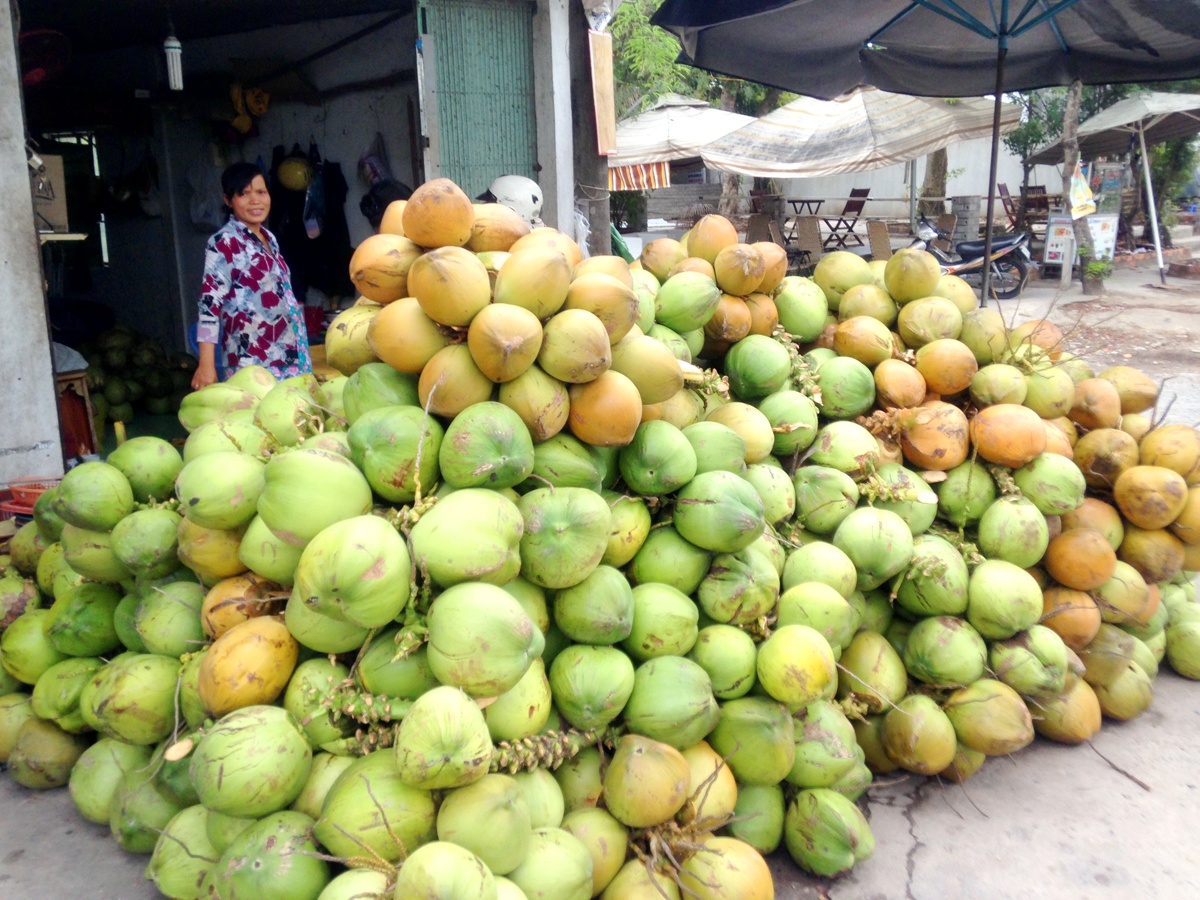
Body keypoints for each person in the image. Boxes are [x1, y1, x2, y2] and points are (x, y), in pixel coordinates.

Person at [191, 162, 312, 390]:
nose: (255, 200)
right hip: (253, 364)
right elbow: (209, 304)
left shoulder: (270, 238)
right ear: (228, 200)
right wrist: (206, 364)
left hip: (292, 358)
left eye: (260, 192)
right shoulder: (224, 242)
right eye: (243, 194)